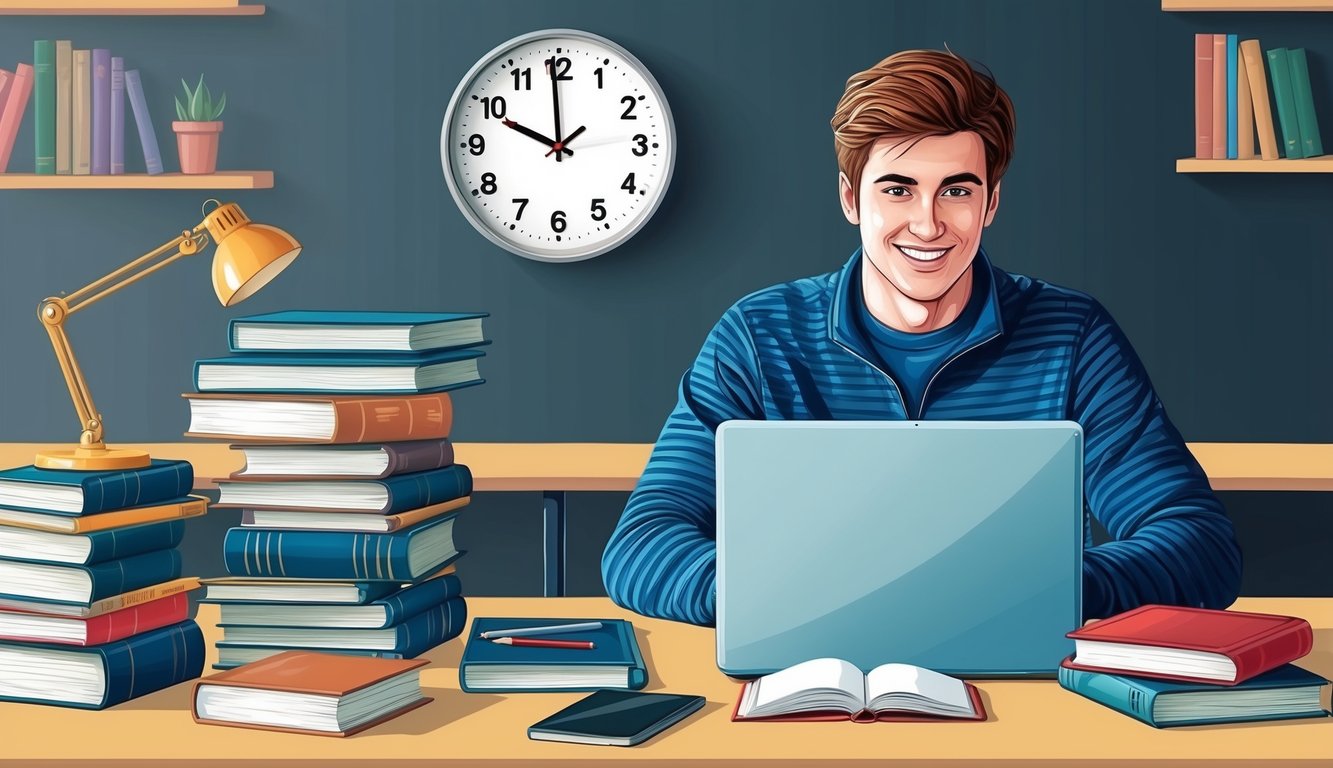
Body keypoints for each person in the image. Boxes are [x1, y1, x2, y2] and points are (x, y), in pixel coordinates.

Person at [600, 49, 1242, 627]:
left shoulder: (1072, 335)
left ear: (990, 203)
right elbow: (642, 545)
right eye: (898, 190)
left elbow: (1197, 542)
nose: (928, 224)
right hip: (809, 676)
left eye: (956, 191)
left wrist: (1046, 591)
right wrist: (792, 595)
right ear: (852, 199)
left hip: (1024, 686)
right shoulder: (759, 336)